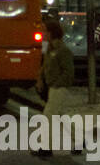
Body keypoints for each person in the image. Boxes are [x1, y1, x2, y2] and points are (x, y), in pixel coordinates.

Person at [34, 20, 81, 157]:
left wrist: (57, 83)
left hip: (59, 88)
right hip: (52, 86)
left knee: (48, 116)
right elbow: (44, 63)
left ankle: (46, 148)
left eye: (45, 31)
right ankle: (80, 140)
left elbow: (68, 72)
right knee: (60, 116)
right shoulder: (48, 48)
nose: (42, 34)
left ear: (51, 33)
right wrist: (40, 78)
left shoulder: (63, 50)